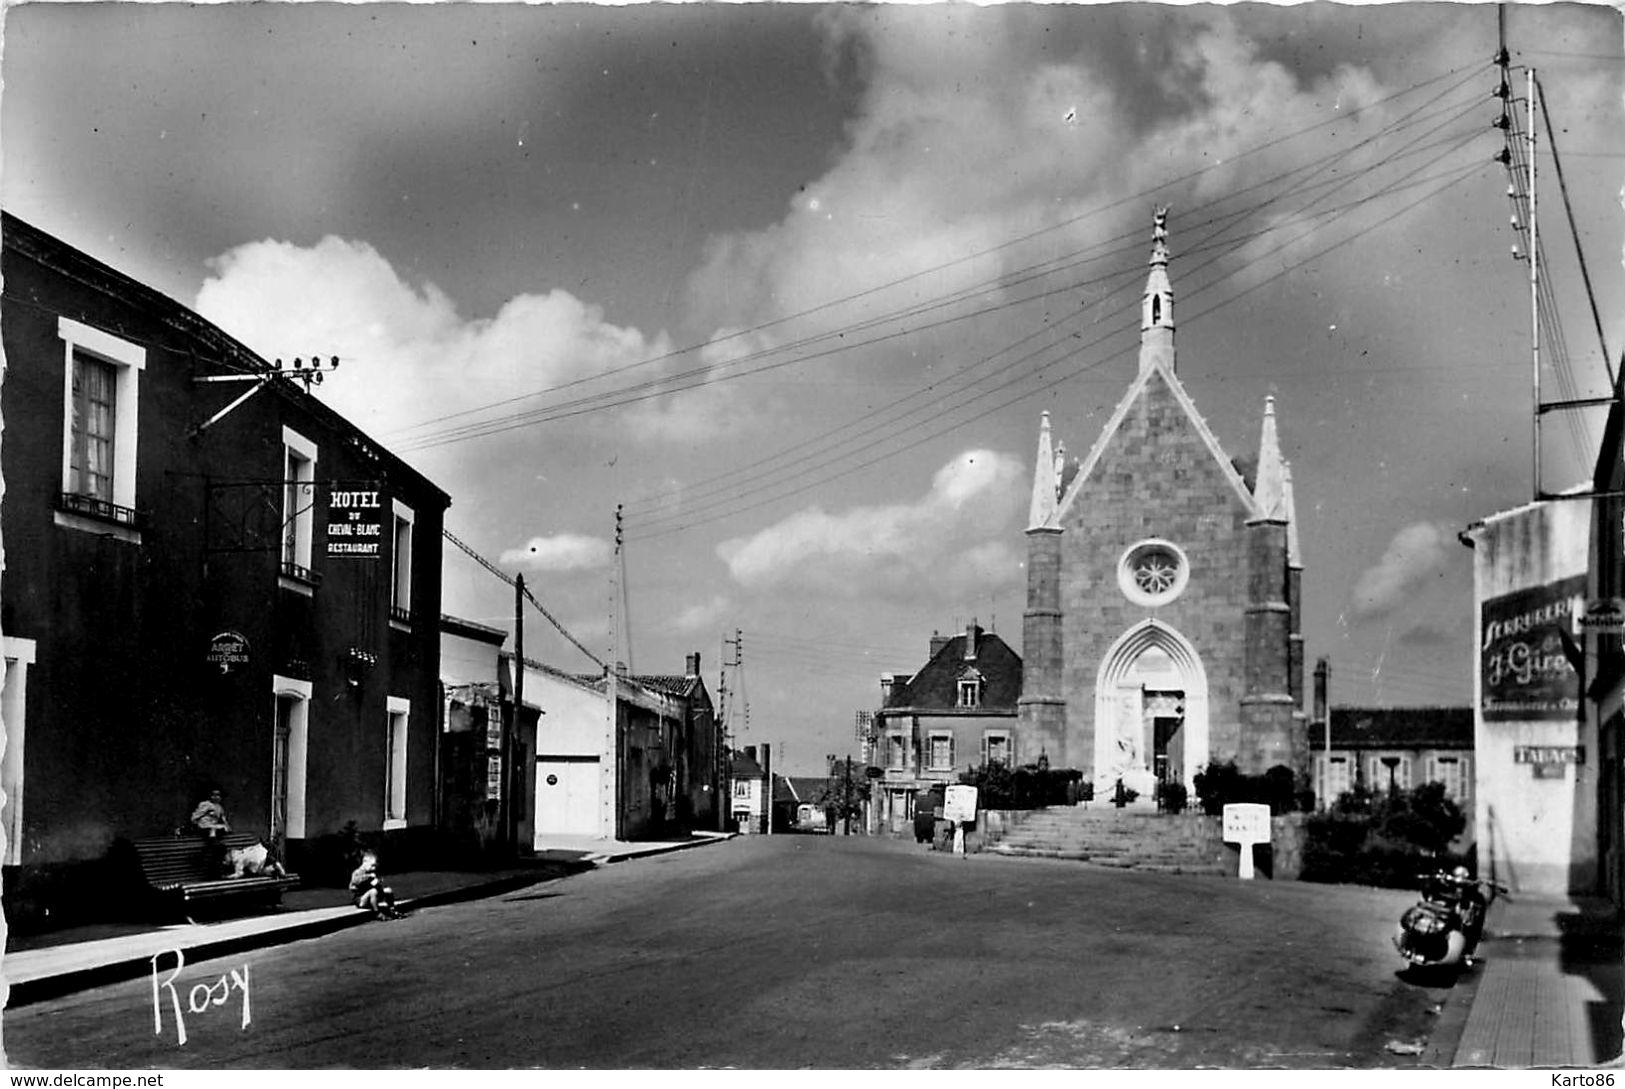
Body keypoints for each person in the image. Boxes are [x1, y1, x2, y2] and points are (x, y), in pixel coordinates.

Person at [348, 851, 402, 919]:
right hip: (361, 899)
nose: (374, 868)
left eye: (375, 866)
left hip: (372, 897)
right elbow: (355, 882)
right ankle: (377, 912)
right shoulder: (357, 872)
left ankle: (392, 909)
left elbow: (374, 884)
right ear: (365, 862)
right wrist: (368, 876)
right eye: (372, 865)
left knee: (388, 890)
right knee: (373, 891)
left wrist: (378, 882)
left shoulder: (372, 872)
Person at [190, 788, 231, 876]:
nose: (216, 797)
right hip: (205, 827)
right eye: (213, 795)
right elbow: (194, 817)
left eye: (218, 795)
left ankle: (215, 870)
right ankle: (214, 870)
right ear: (209, 796)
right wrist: (197, 825)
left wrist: (227, 827)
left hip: (214, 830)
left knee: (218, 849)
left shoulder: (219, 807)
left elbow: (223, 819)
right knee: (216, 845)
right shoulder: (205, 804)